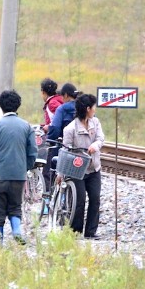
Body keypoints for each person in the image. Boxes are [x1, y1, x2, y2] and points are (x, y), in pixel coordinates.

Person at [0, 90, 37, 244]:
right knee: (15, 205)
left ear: (1, 106)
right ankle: (17, 231)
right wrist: (24, 167)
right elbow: (32, 152)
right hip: (19, 175)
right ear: (18, 105)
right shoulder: (26, 126)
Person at [62, 94, 105, 239]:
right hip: (77, 171)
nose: (95, 109)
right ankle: (75, 231)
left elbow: (100, 138)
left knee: (95, 199)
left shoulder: (96, 122)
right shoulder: (70, 129)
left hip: (94, 168)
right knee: (79, 201)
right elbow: (65, 151)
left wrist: (96, 145)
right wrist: (61, 174)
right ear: (87, 109)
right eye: (93, 107)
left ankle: (91, 232)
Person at [44, 83, 78, 190]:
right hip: (79, 147)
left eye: (63, 96)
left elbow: (55, 127)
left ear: (66, 95)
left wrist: (50, 138)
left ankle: (49, 197)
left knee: (50, 170)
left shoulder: (62, 109)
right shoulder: (82, 107)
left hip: (62, 145)